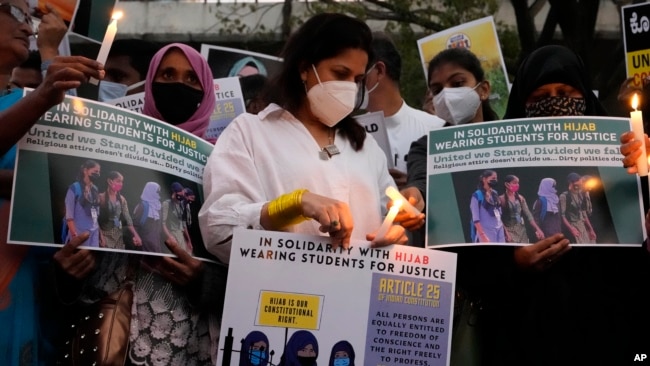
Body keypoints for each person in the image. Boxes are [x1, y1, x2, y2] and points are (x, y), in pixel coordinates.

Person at [55, 43, 225, 366]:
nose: (178, 85)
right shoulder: (110, 150)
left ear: (206, 93)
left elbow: (236, 269)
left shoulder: (223, 164)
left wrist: (203, 280)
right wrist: (68, 273)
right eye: (168, 75)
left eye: (192, 80)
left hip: (178, 344)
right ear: (150, 82)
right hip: (102, 329)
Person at [199, 13, 408, 263]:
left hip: (360, 295)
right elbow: (218, 229)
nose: (350, 87)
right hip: (283, 295)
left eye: (358, 79)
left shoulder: (365, 145)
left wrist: (394, 230)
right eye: (340, 74)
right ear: (304, 69)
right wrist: (292, 205)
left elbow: (390, 215)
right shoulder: (249, 133)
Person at [501, 45, 649, 365]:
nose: (555, 101)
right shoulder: (503, 167)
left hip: (612, 324)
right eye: (539, 97)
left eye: (566, 91)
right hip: (528, 330)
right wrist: (514, 263)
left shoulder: (624, 154)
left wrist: (646, 170)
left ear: (585, 94)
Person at [0, 1, 104, 364]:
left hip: (26, 293)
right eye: (14, 12)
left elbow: (70, 170)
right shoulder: (33, 102)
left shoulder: (26, 103)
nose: (28, 26)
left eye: (29, 17)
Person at [400, 47, 499, 242]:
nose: (447, 94)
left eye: (458, 83)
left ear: (484, 90)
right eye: (437, 90)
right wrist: (416, 195)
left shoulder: (511, 139)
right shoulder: (425, 148)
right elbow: (421, 180)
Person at [363, 32, 445, 188]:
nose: (349, 83)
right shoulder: (344, 135)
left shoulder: (436, 129)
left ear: (379, 71)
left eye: (358, 75)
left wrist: (419, 185)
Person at [98, 171, 141, 250]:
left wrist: (136, 234)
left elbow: (128, 219)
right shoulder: (101, 198)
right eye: (118, 181)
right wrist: (100, 236)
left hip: (118, 235)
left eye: (122, 181)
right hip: (105, 234)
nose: (121, 184)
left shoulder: (122, 199)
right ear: (109, 181)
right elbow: (95, 220)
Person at [63, 159, 102, 247]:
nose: (98, 174)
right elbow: (69, 216)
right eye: (95, 171)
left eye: (99, 172)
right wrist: (74, 235)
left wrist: (100, 235)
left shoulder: (95, 189)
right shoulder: (74, 188)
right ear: (85, 170)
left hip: (94, 233)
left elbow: (96, 215)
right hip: (79, 233)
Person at [499, 174, 545, 243]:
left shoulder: (521, 198)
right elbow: (498, 219)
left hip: (521, 230)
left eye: (518, 183)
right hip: (509, 231)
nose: (517, 185)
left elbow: (529, 215)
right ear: (507, 184)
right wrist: (506, 232)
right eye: (514, 183)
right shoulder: (501, 199)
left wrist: (537, 229)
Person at [559, 172, 596, 244]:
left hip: (582, 225)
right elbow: (562, 216)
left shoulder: (581, 195)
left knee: (591, 243)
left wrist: (591, 229)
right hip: (573, 226)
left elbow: (584, 213)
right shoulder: (564, 196)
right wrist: (572, 229)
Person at [470, 170, 505, 243]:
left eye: (496, 178)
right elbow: (475, 219)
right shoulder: (477, 195)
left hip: (499, 230)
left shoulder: (495, 193)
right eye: (493, 178)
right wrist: (483, 235)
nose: (495, 180)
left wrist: (505, 231)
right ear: (484, 179)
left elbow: (499, 214)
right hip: (486, 231)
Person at [162, 181, 192, 254]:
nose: (180, 197)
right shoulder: (167, 204)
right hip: (172, 233)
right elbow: (163, 223)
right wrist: (170, 236)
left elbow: (184, 225)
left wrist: (189, 241)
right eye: (179, 195)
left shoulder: (182, 205)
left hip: (181, 235)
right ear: (174, 193)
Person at [132, 181, 162, 253]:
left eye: (159, 192)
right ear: (150, 191)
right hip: (144, 244)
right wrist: (136, 238)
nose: (158, 194)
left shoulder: (158, 206)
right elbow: (134, 225)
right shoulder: (142, 206)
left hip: (155, 243)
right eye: (157, 191)